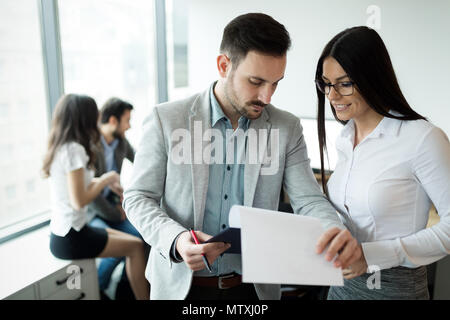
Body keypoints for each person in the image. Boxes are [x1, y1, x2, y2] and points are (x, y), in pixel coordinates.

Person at [123, 13, 361, 300]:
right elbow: (137, 197)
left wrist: (334, 231)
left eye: (276, 83)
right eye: (256, 81)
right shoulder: (167, 120)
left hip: (253, 290)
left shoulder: (287, 127)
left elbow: (308, 199)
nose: (267, 96)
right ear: (224, 66)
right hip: (181, 288)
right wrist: (176, 239)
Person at [314, 26, 450, 299]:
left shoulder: (423, 138)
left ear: (373, 79)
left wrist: (372, 254)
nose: (331, 95)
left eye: (344, 83)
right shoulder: (345, 137)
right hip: (340, 287)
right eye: (326, 84)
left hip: (394, 288)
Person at [42, 94, 150, 300]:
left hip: (67, 232)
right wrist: (106, 180)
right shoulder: (75, 150)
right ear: (85, 118)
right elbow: (80, 200)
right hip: (72, 236)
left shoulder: (63, 147)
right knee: (135, 247)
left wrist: (108, 180)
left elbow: (79, 186)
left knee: (136, 241)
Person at [86, 97, 144, 297]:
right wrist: (117, 214)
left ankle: (124, 286)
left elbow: (141, 163)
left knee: (142, 236)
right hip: (93, 213)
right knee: (121, 247)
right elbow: (91, 198)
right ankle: (99, 287)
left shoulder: (120, 142)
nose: (129, 126)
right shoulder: (91, 147)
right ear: (113, 121)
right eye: (126, 120)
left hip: (114, 207)